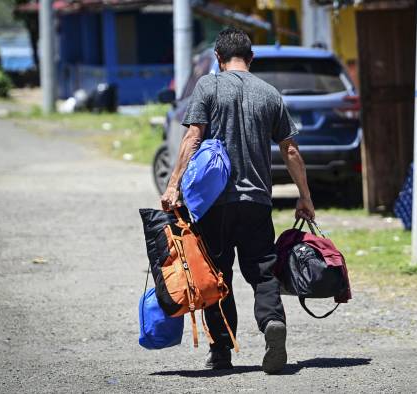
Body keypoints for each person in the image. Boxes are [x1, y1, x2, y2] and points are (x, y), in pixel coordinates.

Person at [159, 27, 315, 374]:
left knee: (217, 274)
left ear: (218, 58)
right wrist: (305, 197)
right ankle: (272, 322)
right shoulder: (270, 94)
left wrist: (173, 186)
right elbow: (290, 149)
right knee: (262, 270)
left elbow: (193, 137)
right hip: (257, 200)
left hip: (213, 204)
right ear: (251, 57)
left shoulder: (209, 86)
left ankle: (222, 350)